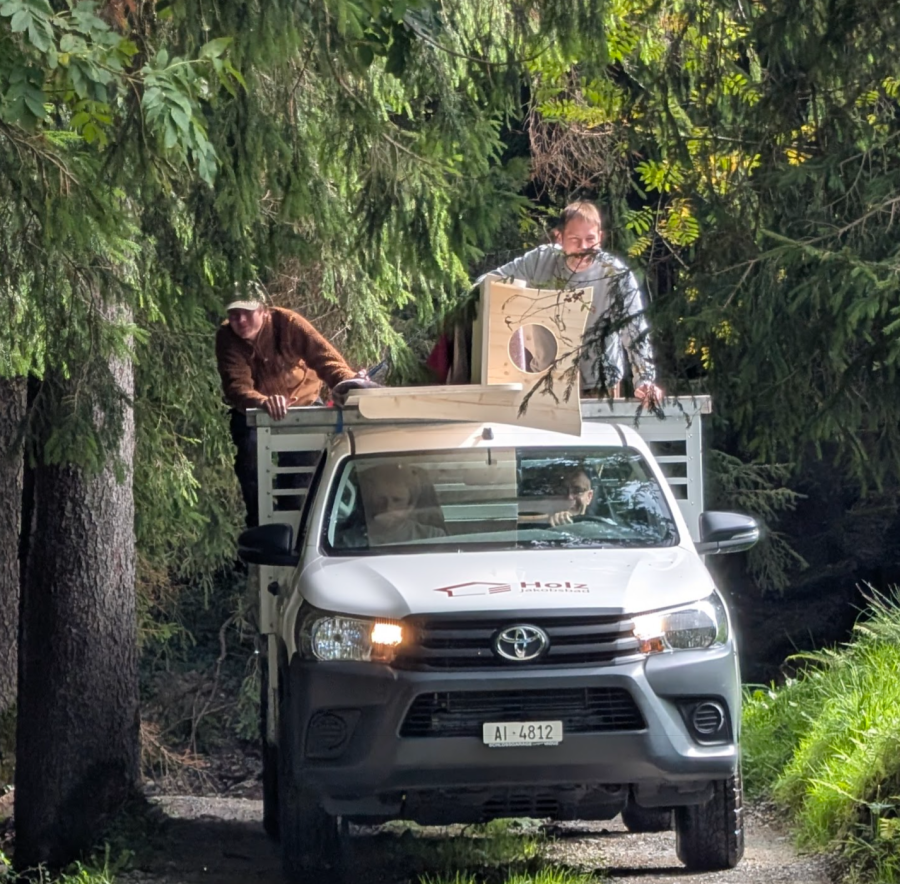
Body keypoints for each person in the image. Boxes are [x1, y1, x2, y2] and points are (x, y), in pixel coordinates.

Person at [215, 282, 370, 526]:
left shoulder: (288, 324)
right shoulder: (227, 337)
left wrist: (350, 382)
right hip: (254, 412)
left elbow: (326, 359)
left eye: (247, 313)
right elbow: (237, 387)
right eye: (234, 315)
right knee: (250, 459)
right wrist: (264, 401)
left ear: (264, 311)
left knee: (302, 477)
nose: (241, 321)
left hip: (304, 407)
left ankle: (298, 526)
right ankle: (259, 524)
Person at [480, 201, 664, 402]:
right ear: (559, 238)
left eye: (590, 239)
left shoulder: (616, 275)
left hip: (600, 387)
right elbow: (489, 284)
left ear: (600, 238)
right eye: (575, 239)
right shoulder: (539, 261)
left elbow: (634, 329)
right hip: (544, 383)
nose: (583, 247)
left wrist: (645, 379)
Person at [356, 464, 447, 547]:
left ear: (410, 505)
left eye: (397, 500)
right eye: (381, 499)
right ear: (371, 499)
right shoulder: (349, 541)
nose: (388, 507)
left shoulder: (433, 537)